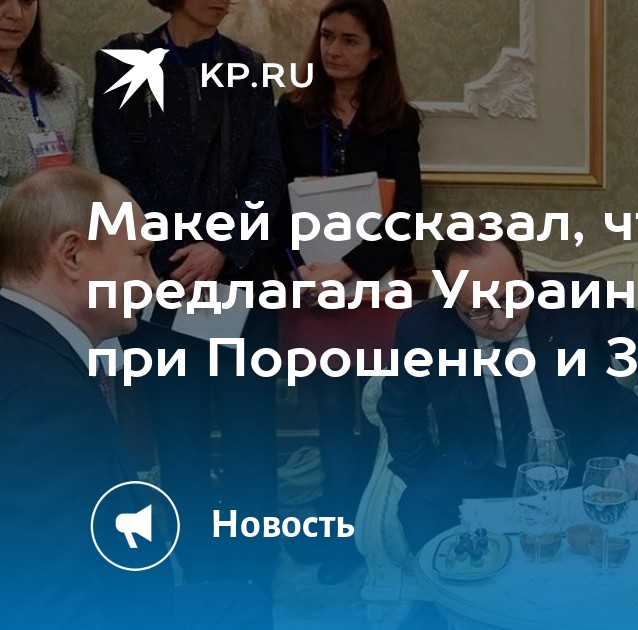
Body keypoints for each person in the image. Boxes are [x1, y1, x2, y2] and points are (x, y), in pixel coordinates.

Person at [0, 167, 270, 629]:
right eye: (140, 256)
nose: (153, 283)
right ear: (72, 255)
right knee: (241, 607)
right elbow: (51, 606)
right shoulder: (48, 398)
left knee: (235, 601)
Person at [92, 0, 285, 590]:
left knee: (251, 430)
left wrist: (221, 246)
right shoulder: (125, 59)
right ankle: (197, 562)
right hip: (161, 278)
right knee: (178, 432)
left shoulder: (250, 66)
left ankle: (255, 563)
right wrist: (178, 253)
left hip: (240, 283)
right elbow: (118, 170)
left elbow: (267, 171)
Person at [378, 228, 638, 550]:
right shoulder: (423, 328)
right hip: (483, 469)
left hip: (592, 460)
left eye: (512, 297)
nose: (501, 321)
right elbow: (399, 408)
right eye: (479, 310)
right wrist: (421, 471)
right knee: (419, 507)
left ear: (524, 274)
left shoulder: (582, 299)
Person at [275, 0, 422, 585]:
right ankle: (339, 529)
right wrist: (304, 272)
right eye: (327, 37)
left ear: (377, 49)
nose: (334, 50)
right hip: (309, 286)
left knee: (376, 411)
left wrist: (351, 268)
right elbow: (272, 202)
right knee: (333, 414)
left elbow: (407, 214)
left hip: (373, 284)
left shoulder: (399, 120)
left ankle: (373, 524)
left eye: (350, 40)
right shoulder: (291, 112)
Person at [0, 0, 97, 202]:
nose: (16, 14)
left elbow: (90, 182)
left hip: (69, 218)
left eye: (27, 1)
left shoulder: (68, 84)